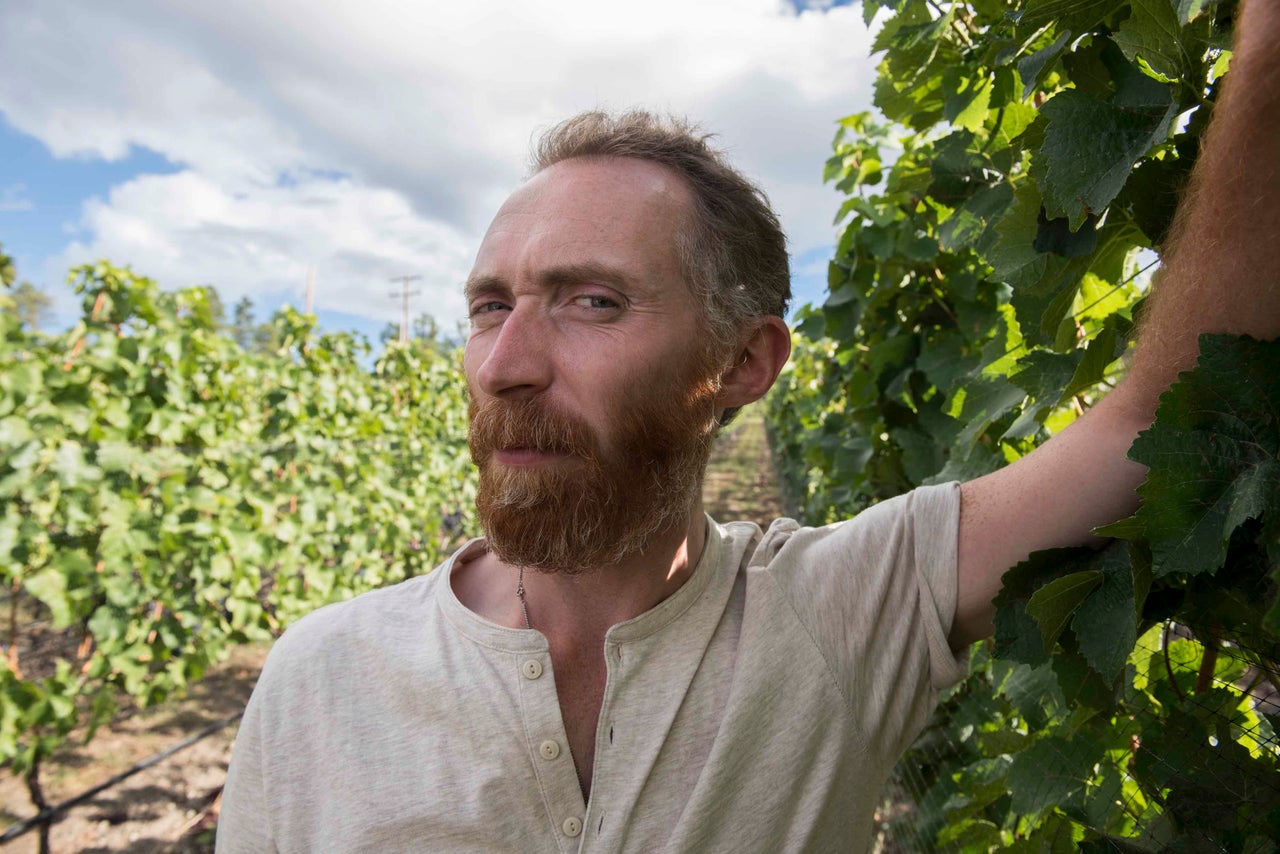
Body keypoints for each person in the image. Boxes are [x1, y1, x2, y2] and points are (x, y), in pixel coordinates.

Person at [216, 2, 1279, 850]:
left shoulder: (836, 614)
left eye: (592, 301)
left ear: (742, 363)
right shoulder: (318, 678)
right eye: (489, 306)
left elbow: (1151, 419)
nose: (503, 365)